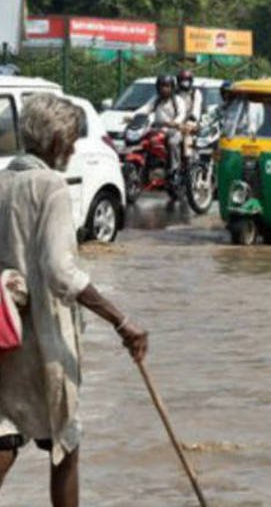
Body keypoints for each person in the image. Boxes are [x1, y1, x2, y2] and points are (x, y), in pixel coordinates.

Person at [0, 93, 148, 507]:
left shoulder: (2, 181)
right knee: (65, 443)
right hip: (43, 339)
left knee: (5, 431)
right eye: (70, 140)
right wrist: (121, 320)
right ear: (57, 142)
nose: (72, 149)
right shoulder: (50, 187)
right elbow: (60, 271)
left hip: (3, 332)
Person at [132, 75, 185, 189]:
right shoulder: (156, 99)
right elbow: (145, 109)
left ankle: (174, 171)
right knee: (144, 140)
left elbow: (181, 114)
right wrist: (132, 116)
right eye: (161, 86)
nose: (164, 89)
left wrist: (175, 122)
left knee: (172, 143)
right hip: (157, 130)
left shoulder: (178, 101)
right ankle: (145, 169)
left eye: (167, 86)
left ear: (172, 87)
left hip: (173, 130)